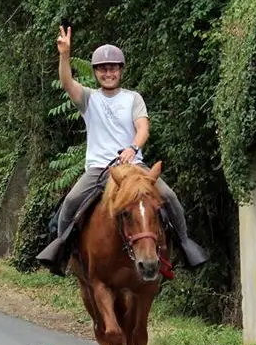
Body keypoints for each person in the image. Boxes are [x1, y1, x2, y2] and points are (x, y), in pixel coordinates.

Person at [36, 26, 209, 275]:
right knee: (72, 201)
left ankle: (184, 245)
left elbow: (143, 128)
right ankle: (60, 252)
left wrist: (133, 148)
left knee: (169, 197)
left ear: (121, 70)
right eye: (103, 69)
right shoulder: (89, 98)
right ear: (96, 72)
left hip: (134, 166)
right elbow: (66, 82)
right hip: (99, 168)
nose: (108, 73)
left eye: (113, 68)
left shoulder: (133, 98)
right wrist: (65, 55)